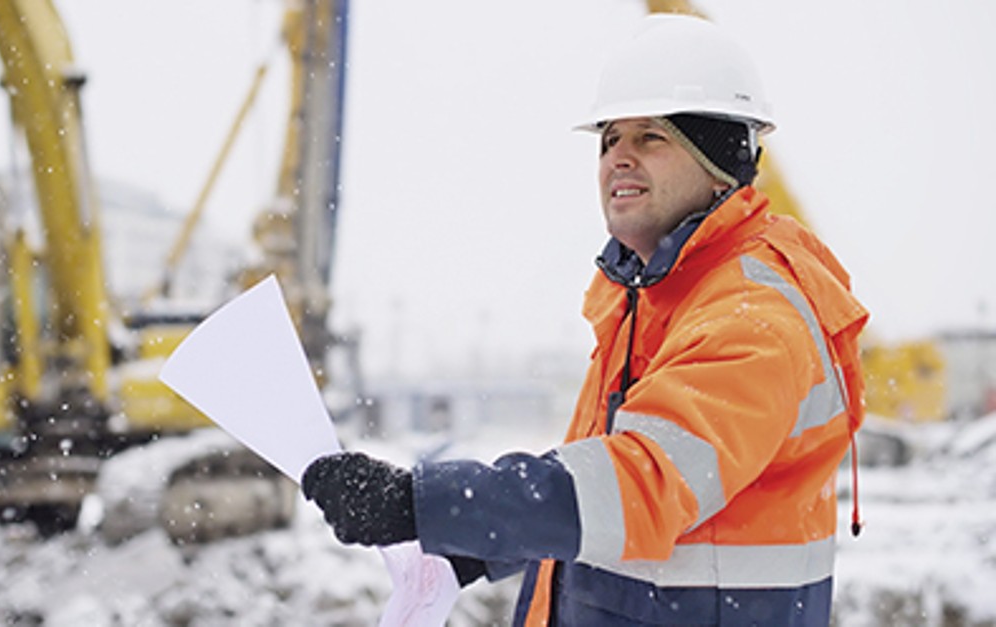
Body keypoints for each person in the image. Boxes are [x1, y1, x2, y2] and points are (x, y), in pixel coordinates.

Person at [301, 13, 868, 626]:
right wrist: (476, 551)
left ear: (720, 160)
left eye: (651, 136)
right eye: (608, 139)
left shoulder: (753, 315)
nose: (618, 157)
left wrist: (420, 504)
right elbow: (597, 484)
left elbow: (639, 485)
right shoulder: (653, 297)